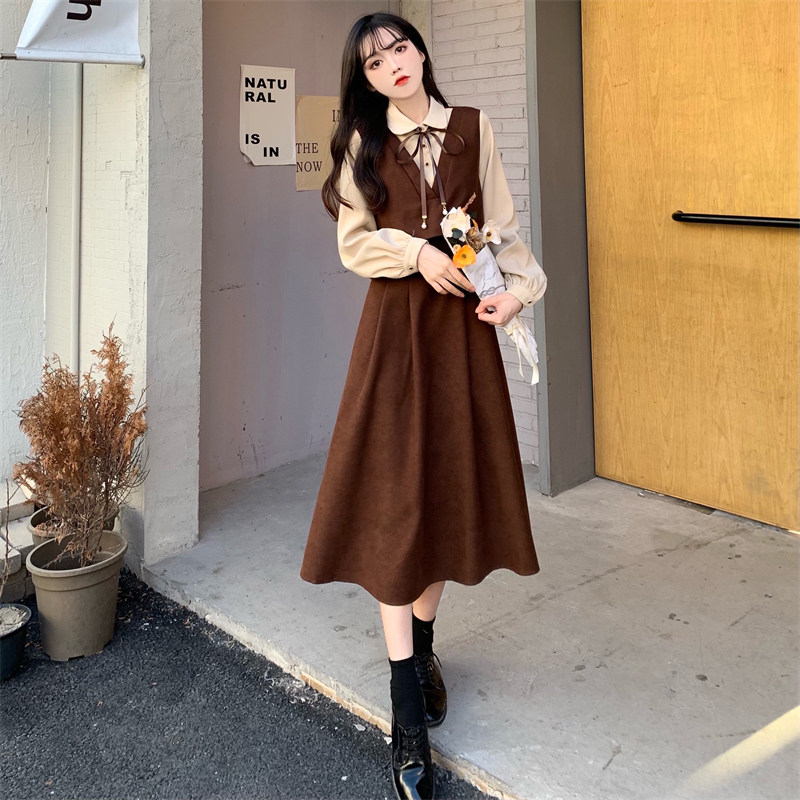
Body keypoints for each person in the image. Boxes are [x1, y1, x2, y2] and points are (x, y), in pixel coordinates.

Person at [299, 12, 547, 799]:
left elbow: (500, 230)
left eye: (399, 48)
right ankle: (407, 712)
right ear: (365, 80)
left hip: (463, 339)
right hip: (396, 339)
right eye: (374, 62)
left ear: (420, 51)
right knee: (394, 509)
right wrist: (415, 252)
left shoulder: (473, 127)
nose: (392, 65)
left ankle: (423, 646)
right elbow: (354, 242)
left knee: (442, 499)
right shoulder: (362, 144)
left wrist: (518, 295)